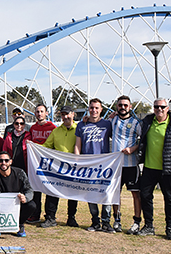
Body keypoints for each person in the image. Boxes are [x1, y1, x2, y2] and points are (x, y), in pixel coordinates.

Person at [137, 98, 171, 240]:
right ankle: (149, 226)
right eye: (156, 107)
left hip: (168, 169)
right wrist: (112, 116)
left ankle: (169, 228)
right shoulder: (147, 122)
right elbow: (128, 120)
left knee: (169, 198)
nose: (159, 109)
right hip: (149, 168)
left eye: (162, 107)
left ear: (167, 108)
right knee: (145, 196)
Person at [75, 98, 113, 233]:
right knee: (91, 195)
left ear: (101, 109)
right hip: (88, 166)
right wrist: (77, 161)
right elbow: (77, 145)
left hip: (105, 166)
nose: (94, 110)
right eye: (91, 108)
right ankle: (95, 221)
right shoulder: (81, 125)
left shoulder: (108, 124)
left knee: (106, 194)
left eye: (97, 108)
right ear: (88, 109)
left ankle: (106, 222)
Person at [41, 106, 80, 228]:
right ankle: (50, 217)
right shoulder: (56, 131)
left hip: (74, 168)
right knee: (52, 192)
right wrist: (33, 146)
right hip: (57, 168)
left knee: (73, 194)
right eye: (63, 115)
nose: (65, 117)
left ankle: (71, 218)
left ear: (73, 114)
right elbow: (46, 146)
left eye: (67, 114)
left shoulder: (79, 129)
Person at [111, 96, 142, 234]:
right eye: (120, 105)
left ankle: (136, 222)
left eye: (125, 105)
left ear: (130, 107)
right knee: (115, 194)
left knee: (135, 193)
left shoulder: (136, 123)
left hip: (131, 164)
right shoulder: (112, 120)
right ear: (117, 106)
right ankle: (116, 220)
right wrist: (86, 119)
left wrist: (133, 149)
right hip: (116, 165)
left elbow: (144, 140)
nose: (122, 107)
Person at [0, 151, 36, 237]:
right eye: (1, 160)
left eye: (6, 160)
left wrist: (25, 198)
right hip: (1, 206)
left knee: (31, 205)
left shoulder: (20, 173)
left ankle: (19, 224)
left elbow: (29, 190)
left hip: (18, 204)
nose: (3, 163)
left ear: (11, 161)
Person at [26, 104, 56, 223]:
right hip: (36, 164)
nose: (39, 114)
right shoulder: (33, 128)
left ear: (46, 113)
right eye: (37, 112)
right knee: (35, 189)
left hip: (48, 163)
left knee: (50, 189)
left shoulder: (52, 127)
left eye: (42, 111)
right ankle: (35, 214)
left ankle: (49, 216)